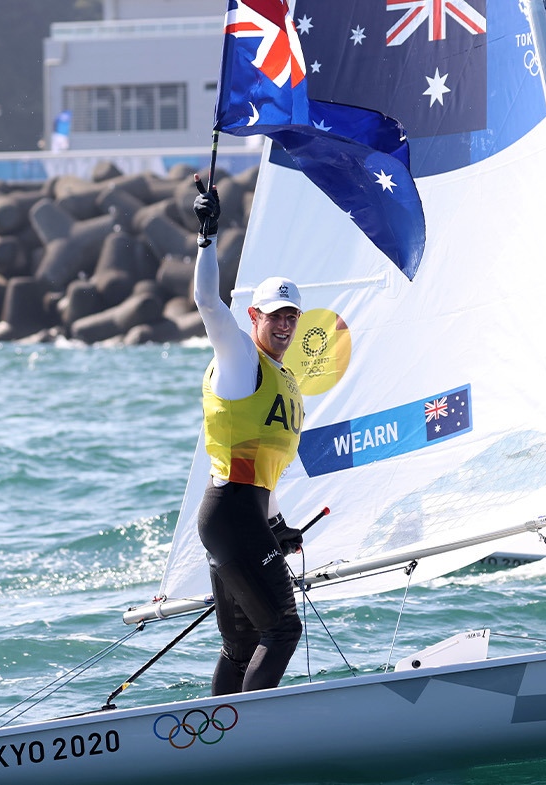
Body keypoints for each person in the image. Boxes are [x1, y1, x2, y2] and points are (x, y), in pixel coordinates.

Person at [191, 176, 306, 695]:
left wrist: (278, 524)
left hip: (243, 516)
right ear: (254, 316)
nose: (283, 325)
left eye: (292, 317)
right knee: (282, 629)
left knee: (241, 647)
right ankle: (247, 739)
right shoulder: (240, 358)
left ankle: (217, 745)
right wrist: (207, 234)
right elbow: (207, 303)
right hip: (233, 513)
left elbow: (264, 468)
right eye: (274, 316)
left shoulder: (285, 380)